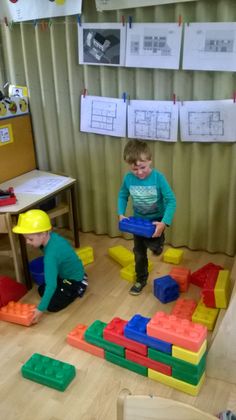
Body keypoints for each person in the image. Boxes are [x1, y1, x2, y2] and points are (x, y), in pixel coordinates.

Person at [118, 139, 176, 296]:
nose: (139, 172)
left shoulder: (158, 178)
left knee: (154, 246)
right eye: (134, 169)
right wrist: (121, 213)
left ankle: (157, 245)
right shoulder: (128, 179)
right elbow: (123, 195)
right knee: (138, 252)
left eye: (142, 167)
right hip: (139, 222)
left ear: (150, 160)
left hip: (156, 221)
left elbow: (171, 201)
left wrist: (164, 223)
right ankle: (141, 279)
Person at [12, 209, 88, 324]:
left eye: (30, 239)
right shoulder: (51, 237)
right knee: (41, 289)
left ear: (43, 234)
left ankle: (77, 289)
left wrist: (40, 309)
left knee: (52, 306)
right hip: (66, 273)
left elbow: (51, 285)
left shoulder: (51, 256)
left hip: (75, 280)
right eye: (26, 238)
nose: (27, 242)